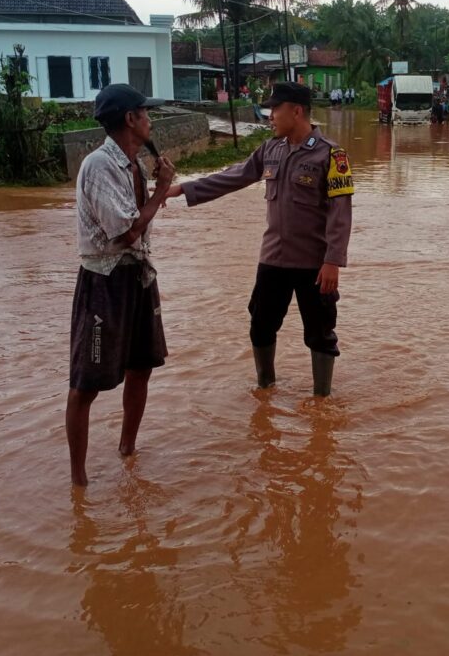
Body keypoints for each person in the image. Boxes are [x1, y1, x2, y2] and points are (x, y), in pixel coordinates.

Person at [166, 81, 354, 397]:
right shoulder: (270, 150)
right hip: (273, 261)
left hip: (315, 265)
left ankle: (322, 401)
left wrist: (333, 260)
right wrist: (184, 189)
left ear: (296, 111)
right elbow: (234, 176)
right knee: (261, 326)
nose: (269, 116)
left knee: (320, 333)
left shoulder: (332, 155)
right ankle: (265, 389)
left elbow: (341, 214)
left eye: (274, 109)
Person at [66, 84, 176, 487]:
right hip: (105, 280)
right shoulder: (98, 166)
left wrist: (156, 186)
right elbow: (127, 232)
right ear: (130, 119)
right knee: (85, 383)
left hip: (139, 276)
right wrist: (162, 189)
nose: (151, 119)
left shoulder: (133, 165)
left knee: (142, 366)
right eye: (146, 113)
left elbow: (138, 226)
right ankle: (79, 480)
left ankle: (128, 449)